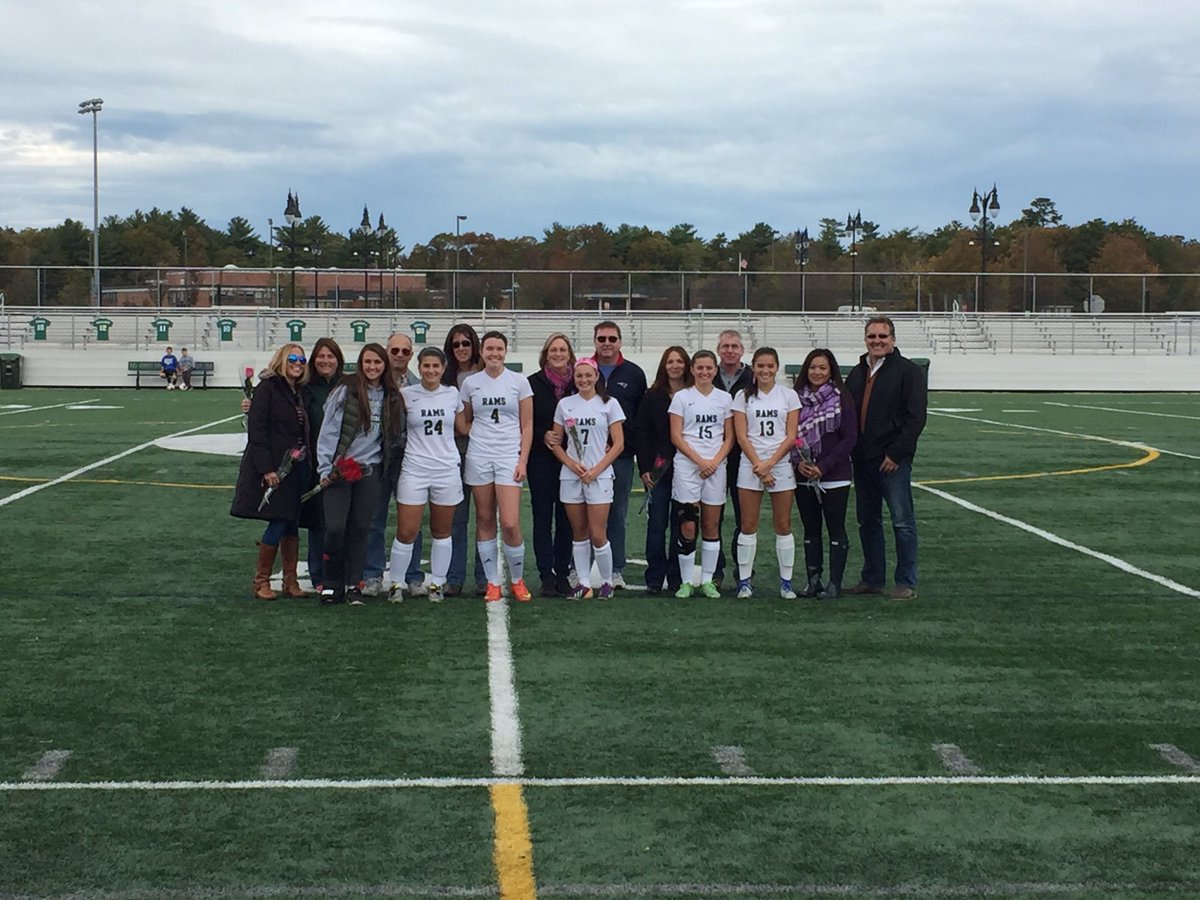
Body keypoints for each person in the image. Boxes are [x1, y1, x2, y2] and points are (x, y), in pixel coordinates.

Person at [844, 316, 927, 600]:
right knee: (867, 521)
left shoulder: (909, 371)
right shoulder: (857, 372)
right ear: (865, 339)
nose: (877, 341)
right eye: (872, 336)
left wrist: (896, 453)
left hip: (892, 460)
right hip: (863, 459)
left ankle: (906, 581)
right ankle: (872, 578)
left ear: (892, 339)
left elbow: (916, 417)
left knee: (902, 522)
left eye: (882, 336)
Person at [315, 343, 405, 605]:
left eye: (377, 362)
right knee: (335, 527)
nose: (372, 367)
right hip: (340, 470)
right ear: (360, 363)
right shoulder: (346, 390)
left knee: (360, 528)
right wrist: (325, 467)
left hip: (370, 471)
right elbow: (329, 431)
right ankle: (332, 583)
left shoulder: (391, 395)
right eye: (368, 362)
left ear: (384, 365)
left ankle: (354, 583)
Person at [230, 343, 312, 600]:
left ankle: (290, 581)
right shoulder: (267, 388)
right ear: (281, 360)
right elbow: (258, 431)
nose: (297, 363)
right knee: (278, 519)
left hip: (297, 466)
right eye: (292, 359)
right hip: (276, 467)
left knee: (290, 521)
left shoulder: (299, 390)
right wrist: (267, 469)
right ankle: (261, 581)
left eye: (301, 359)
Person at [459, 331, 534, 602]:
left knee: (511, 523)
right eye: (489, 348)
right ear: (482, 351)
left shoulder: (519, 382)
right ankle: (492, 582)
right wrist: (477, 434)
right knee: (485, 519)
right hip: (479, 456)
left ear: (506, 351)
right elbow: (464, 420)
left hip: (508, 456)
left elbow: (527, 424)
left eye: (499, 349)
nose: (494, 353)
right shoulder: (470, 383)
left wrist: (522, 459)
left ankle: (516, 579)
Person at [388, 347, 468, 604]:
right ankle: (396, 584)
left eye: (436, 366)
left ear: (444, 368)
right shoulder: (406, 394)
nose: (431, 370)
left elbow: (463, 427)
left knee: (442, 530)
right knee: (407, 530)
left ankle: (437, 583)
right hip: (415, 468)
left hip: (446, 469)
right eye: (426, 366)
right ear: (419, 367)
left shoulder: (452, 394)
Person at [546, 358, 626, 600]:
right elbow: (555, 442)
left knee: (598, 532)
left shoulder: (610, 404)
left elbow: (619, 444)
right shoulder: (565, 405)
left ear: (596, 376)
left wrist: (597, 469)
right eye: (579, 376)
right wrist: (571, 464)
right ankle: (582, 583)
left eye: (588, 375)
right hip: (572, 477)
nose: (583, 380)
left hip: (599, 477)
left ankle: (605, 582)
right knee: (578, 531)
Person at [731, 347, 801, 599]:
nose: (765, 370)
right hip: (751, 465)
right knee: (748, 525)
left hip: (779, 465)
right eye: (760, 365)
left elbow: (791, 436)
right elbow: (741, 435)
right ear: (753, 367)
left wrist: (769, 464)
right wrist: (759, 465)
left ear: (777, 367)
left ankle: (786, 582)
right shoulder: (742, 396)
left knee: (783, 524)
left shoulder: (789, 396)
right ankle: (745, 582)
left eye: (770, 366)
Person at [361, 332, 423, 597]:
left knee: (411, 520)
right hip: (377, 458)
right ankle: (372, 574)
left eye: (405, 351)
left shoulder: (421, 385)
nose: (399, 355)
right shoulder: (373, 385)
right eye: (394, 350)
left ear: (411, 354)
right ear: (387, 352)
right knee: (374, 519)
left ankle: (413, 576)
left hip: (408, 460)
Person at [792, 349, 858, 599]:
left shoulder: (842, 398)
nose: (817, 372)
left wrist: (824, 465)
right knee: (810, 528)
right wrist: (799, 462)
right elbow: (790, 436)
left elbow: (850, 438)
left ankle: (835, 583)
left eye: (822, 368)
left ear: (831, 371)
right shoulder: (795, 399)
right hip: (803, 475)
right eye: (812, 367)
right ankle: (813, 580)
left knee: (835, 527)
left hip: (835, 475)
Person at [669, 350, 735, 599]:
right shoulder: (682, 398)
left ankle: (707, 580)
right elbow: (676, 435)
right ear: (693, 370)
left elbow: (730, 436)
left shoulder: (725, 398)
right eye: (700, 368)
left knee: (711, 524)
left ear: (715, 370)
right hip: (688, 467)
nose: (704, 372)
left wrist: (714, 461)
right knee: (687, 523)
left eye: (709, 368)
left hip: (716, 468)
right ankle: (686, 581)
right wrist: (699, 461)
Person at [591, 321, 646, 589]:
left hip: (621, 456)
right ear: (595, 341)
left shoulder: (634, 373)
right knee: (583, 513)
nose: (607, 343)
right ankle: (581, 566)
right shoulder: (583, 370)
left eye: (612, 338)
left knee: (617, 511)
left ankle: (615, 569)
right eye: (602, 338)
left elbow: (639, 416)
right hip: (587, 457)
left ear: (620, 342)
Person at [633, 345, 691, 595]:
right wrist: (645, 467)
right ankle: (655, 577)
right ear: (663, 366)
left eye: (679, 361)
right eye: (670, 362)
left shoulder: (694, 394)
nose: (675, 366)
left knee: (683, 523)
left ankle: (678, 576)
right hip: (659, 469)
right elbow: (641, 432)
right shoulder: (652, 395)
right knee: (657, 523)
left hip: (689, 467)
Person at [527, 332, 577, 597]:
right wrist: (541, 434)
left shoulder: (579, 382)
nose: (558, 354)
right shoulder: (532, 384)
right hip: (541, 461)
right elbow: (523, 422)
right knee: (543, 518)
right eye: (553, 350)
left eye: (562, 350)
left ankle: (563, 573)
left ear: (569, 353)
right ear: (545, 355)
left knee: (567, 520)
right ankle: (547, 575)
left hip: (572, 462)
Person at [442, 323, 486, 597]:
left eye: (466, 343)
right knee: (456, 519)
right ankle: (454, 577)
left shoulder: (486, 376)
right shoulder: (444, 377)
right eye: (456, 344)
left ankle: (484, 577)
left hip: (482, 451)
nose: (461, 349)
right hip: (452, 453)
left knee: (484, 518)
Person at [299, 338, 345, 593]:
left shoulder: (348, 386)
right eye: (321, 356)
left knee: (341, 521)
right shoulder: (305, 389)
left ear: (338, 360)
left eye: (330, 356)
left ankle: (342, 572)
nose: (325, 361)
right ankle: (318, 574)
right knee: (318, 522)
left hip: (346, 463)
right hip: (314, 463)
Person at [712, 329, 754, 585]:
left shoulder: (753, 377)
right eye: (725, 346)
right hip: (712, 458)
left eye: (734, 346)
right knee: (712, 518)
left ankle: (744, 572)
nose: (729, 350)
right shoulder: (706, 373)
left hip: (743, 457)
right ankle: (715, 571)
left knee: (743, 518)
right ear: (718, 350)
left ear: (742, 350)